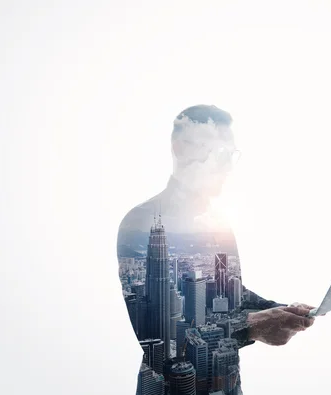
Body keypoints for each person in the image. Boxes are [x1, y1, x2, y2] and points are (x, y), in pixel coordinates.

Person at [117, 105, 315, 395]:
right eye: (220, 154)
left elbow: (229, 294)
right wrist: (253, 326)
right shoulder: (141, 221)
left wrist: (279, 310)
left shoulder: (216, 223)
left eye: (231, 155)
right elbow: (157, 338)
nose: (227, 166)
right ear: (181, 149)